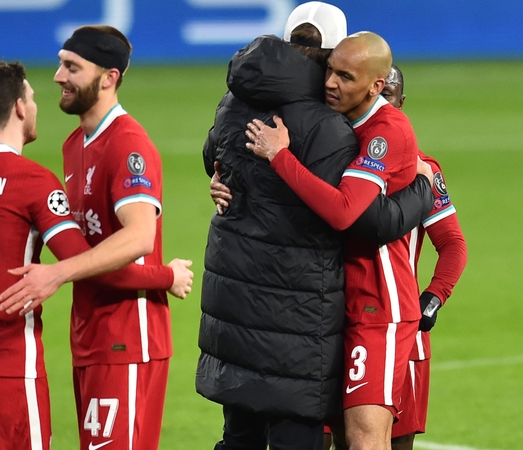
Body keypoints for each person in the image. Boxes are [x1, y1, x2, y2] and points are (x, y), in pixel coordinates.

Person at [198, 3, 433, 448]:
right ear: (330, 52)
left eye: (346, 75)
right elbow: (361, 217)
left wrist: (221, 175)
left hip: (237, 309)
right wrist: (425, 188)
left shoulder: (236, 100)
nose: (332, 82)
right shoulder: (327, 127)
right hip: (300, 313)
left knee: (241, 438)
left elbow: (213, 152)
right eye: (335, 70)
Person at [0, 62, 192, 450]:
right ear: (20, 108)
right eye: (32, 98)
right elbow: (90, 266)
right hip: (6, 363)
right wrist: (166, 277)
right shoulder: (31, 181)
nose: (38, 104)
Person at [0, 26, 181, 450]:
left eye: (72, 67)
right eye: (61, 64)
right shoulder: (74, 143)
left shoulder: (127, 145)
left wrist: (57, 273)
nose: (59, 77)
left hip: (128, 336)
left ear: (110, 77)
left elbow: (139, 237)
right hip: (91, 336)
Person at [381, 65, 468, 450]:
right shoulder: (331, 163)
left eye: (391, 99)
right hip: (331, 328)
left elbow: (452, 245)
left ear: (402, 104)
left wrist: (432, 299)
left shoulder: (424, 170)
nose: (383, 108)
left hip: (403, 331)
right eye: (376, 97)